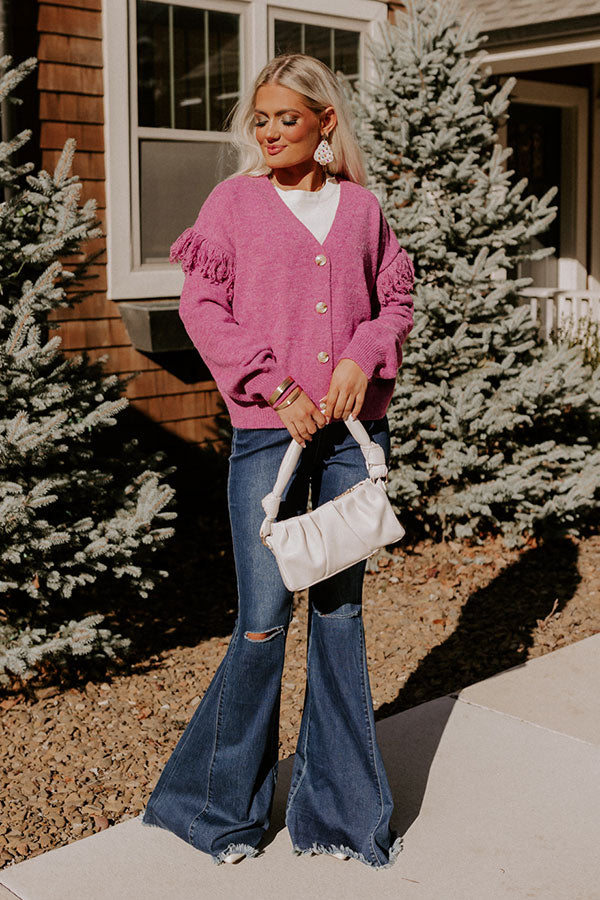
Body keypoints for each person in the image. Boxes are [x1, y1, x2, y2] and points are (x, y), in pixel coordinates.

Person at [139, 52, 414, 870]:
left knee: (340, 620)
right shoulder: (233, 204)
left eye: (284, 118)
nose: (266, 132)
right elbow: (201, 306)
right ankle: (216, 814)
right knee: (262, 622)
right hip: (270, 436)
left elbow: (395, 297)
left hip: (350, 440)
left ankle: (338, 818)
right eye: (259, 118)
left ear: (325, 123)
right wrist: (275, 386)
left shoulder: (362, 210)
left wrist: (364, 356)